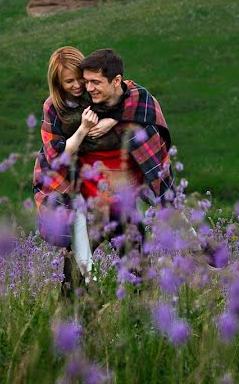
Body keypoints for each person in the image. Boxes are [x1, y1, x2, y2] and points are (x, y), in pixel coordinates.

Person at [34, 47, 174, 294]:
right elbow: (56, 157)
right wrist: (83, 130)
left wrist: (115, 118)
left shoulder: (100, 90)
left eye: (82, 78)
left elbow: (132, 97)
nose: (79, 86)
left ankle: (142, 323)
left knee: (138, 272)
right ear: (57, 83)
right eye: (70, 82)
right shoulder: (54, 108)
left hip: (121, 198)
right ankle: (74, 325)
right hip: (84, 201)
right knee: (74, 277)